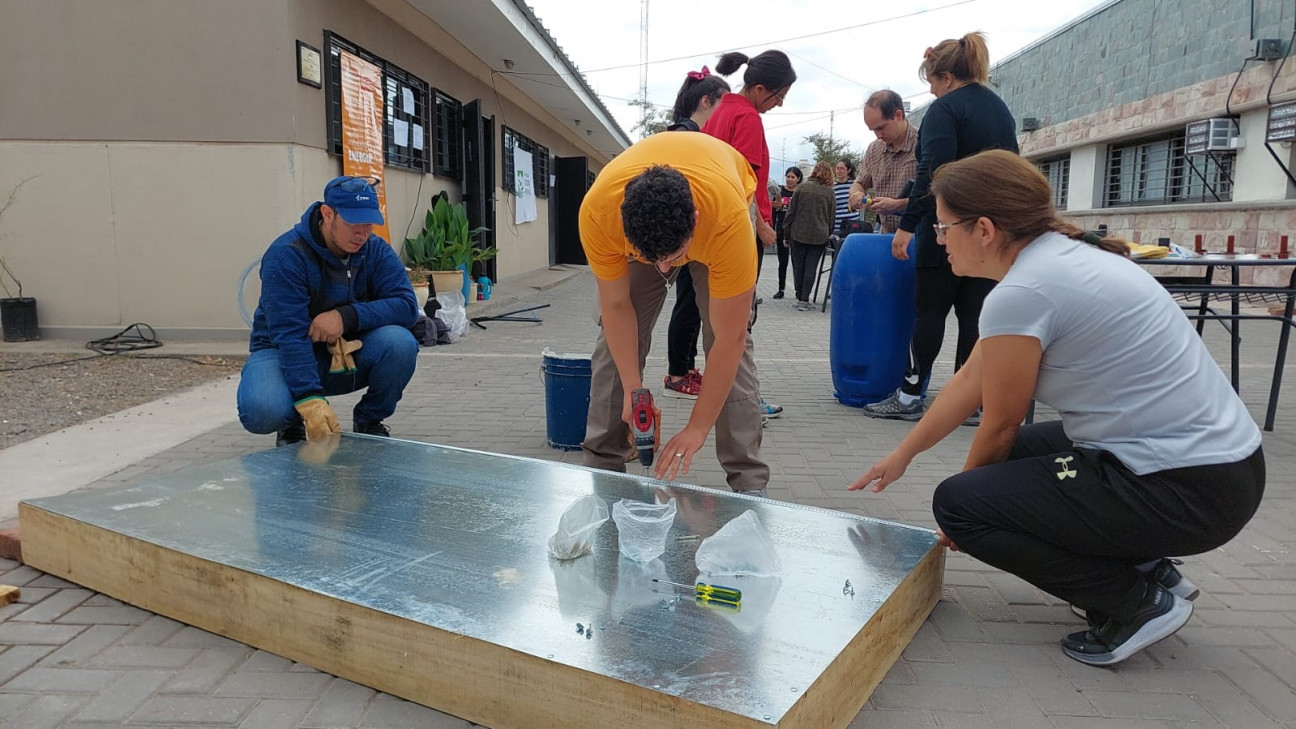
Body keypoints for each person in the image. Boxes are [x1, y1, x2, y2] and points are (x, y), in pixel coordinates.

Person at [849, 149, 1265, 666]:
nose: (939, 241)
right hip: (1222, 471)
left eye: (943, 228)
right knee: (1019, 464)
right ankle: (1149, 569)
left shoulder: (1025, 290)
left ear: (983, 229)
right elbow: (971, 380)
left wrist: (964, 515)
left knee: (961, 500)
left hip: (1187, 488)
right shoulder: (1056, 260)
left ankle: (1134, 603)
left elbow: (999, 424)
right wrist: (903, 454)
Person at [580, 131, 769, 495]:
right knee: (612, 339)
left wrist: (697, 427)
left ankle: (749, 485)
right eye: (653, 259)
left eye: (674, 258)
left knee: (733, 341)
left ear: (695, 221)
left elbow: (727, 341)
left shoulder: (725, 220)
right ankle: (602, 468)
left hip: (723, 199)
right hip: (651, 221)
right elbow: (617, 306)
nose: (665, 270)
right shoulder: (599, 214)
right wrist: (634, 390)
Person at [863, 32, 1018, 422]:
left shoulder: (944, 111)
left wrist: (907, 225)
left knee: (929, 313)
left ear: (946, 78)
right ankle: (971, 401)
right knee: (976, 315)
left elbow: (934, 173)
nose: (931, 92)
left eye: (931, 83)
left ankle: (911, 395)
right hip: (991, 231)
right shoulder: (1000, 110)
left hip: (946, 230)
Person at [237, 176, 419, 445]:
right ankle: (290, 424)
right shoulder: (286, 255)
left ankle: (369, 420)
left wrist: (345, 317)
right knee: (263, 408)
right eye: (353, 224)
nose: (362, 233)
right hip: (283, 353)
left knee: (400, 343)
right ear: (327, 214)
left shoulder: (375, 251)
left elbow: (407, 306)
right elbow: (289, 335)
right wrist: (310, 399)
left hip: (349, 351)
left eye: (369, 224)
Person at [704, 49, 796, 420]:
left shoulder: (719, 111)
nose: (777, 105)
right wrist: (762, 224)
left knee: (717, 319)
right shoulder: (747, 117)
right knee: (740, 321)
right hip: (738, 230)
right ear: (760, 89)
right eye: (778, 98)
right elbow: (745, 182)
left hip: (712, 231)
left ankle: (725, 395)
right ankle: (743, 401)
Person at [663, 67, 730, 400]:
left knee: (687, 304)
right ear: (706, 101)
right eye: (722, 104)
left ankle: (684, 368)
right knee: (688, 306)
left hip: (682, 230)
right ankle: (678, 372)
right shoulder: (692, 137)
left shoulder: (677, 132)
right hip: (687, 234)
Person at [848, 89, 919, 234]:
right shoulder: (874, 149)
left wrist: (899, 205)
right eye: (873, 130)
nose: (878, 135)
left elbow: (937, 196)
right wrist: (856, 194)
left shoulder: (923, 144)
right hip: (884, 233)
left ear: (898, 115)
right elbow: (860, 183)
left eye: (881, 128)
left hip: (917, 236)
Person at [781, 161, 835, 310]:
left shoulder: (801, 188)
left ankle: (800, 296)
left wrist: (786, 233)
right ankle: (805, 300)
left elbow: (791, 213)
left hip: (798, 233)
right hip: (819, 235)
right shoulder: (829, 192)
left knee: (798, 267)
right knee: (811, 267)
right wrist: (827, 233)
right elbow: (831, 217)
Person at [771, 166, 802, 300]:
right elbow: (773, 211)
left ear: (798, 179)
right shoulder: (780, 192)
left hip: (796, 231)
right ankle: (781, 288)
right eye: (788, 177)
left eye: (793, 177)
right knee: (782, 262)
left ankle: (798, 289)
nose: (790, 180)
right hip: (781, 229)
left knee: (797, 263)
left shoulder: (800, 192)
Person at [832, 157, 857, 235]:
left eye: (842, 168)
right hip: (836, 226)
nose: (839, 171)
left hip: (853, 224)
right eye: (837, 168)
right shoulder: (832, 186)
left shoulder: (854, 185)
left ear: (848, 170)